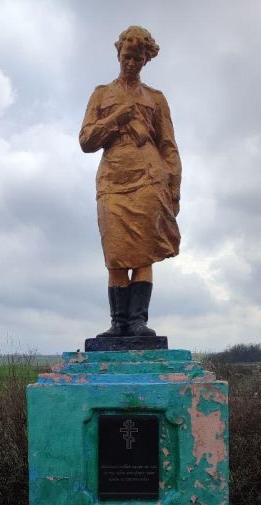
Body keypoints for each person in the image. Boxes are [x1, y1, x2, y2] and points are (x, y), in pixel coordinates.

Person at [79, 26, 181, 338]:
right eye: (127, 56)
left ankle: (137, 322)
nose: (131, 63)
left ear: (145, 60)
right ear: (118, 53)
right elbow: (86, 141)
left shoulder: (156, 99)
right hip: (112, 181)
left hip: (149, 180)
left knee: (143, 251)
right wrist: (118, 117)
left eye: (138, 58)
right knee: (116, 252)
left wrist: (173, 185)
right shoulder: (101, 94)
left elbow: (168, 145)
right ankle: (117, 324)